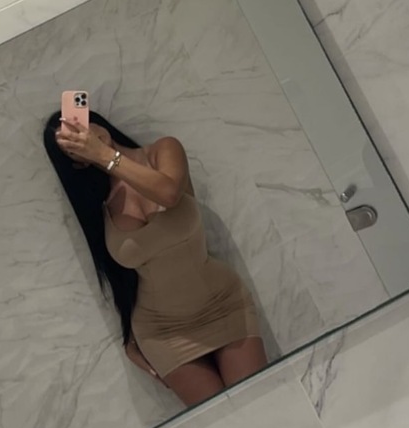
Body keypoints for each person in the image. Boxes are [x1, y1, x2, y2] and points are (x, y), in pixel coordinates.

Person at [43, 109, 267, 406]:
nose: (83, 135)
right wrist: (129, 335)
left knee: (261, 407)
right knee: (225, 423)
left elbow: (169, 193)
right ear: (75, 160)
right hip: (162, 331)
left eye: (80, 124)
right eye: (72, 140)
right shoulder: (101, 206)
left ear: (96, 120)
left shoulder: (163, 151)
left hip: (223, 304)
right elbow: (120, 278)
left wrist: (104, 155)